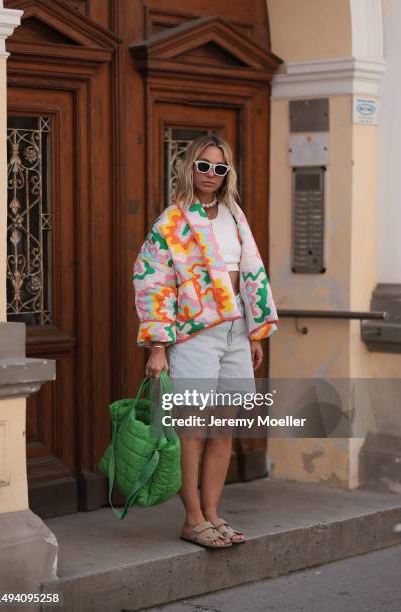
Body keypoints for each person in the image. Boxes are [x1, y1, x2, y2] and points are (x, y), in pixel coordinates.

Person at [133, 135, 278, 549]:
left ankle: (213, 514)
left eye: (220, 168)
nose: (211, 175)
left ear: (228, 174)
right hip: (194, 335)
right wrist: (158, 346)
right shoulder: (172, 221)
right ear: (188, 167)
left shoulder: (234, 214)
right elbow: (152, 283)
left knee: (222, 428)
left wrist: (254, 331)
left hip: (235, 330)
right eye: (203, 165)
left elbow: (252, 272)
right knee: (192, 430)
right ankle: (192, 518)